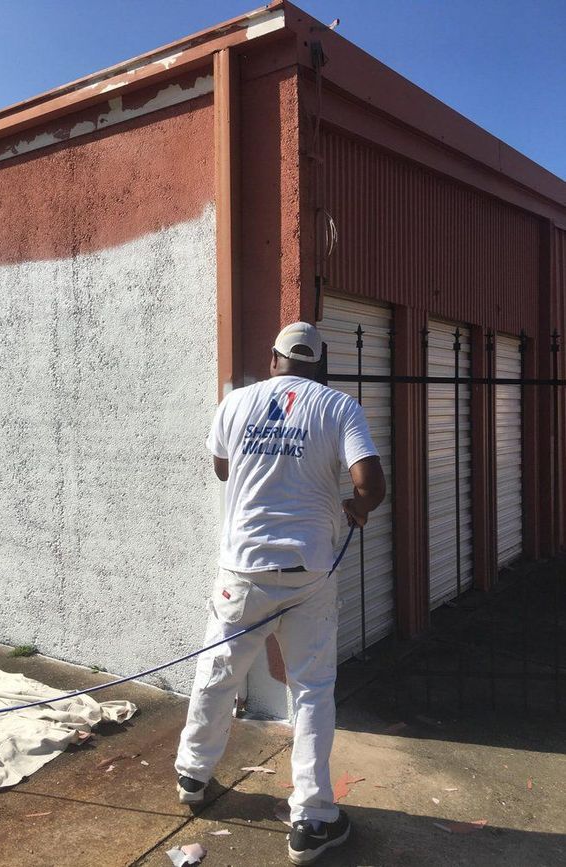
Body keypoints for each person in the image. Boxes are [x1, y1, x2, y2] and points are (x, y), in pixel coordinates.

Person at [175, 321, 386, 865]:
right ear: (319, 363)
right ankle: (312, 820)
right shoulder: (339, 407)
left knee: (218, 672)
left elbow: (222, 468)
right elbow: (370, 483)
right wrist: (355, 509)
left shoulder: (237, 403)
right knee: (312, 690)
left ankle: (193, 776)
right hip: (309, 573)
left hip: (242, 570)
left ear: (274, 360)